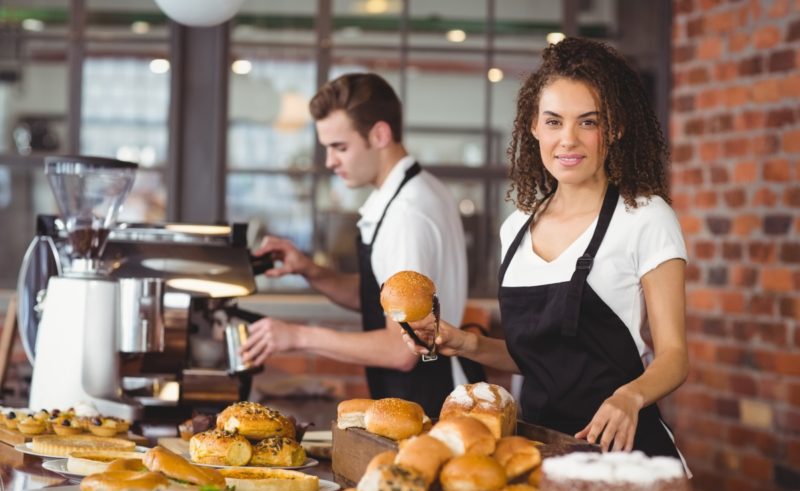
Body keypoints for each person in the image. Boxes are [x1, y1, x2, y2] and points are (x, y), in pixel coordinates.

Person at [404, 37, 689, 459]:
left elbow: (675, 356)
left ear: (615, 129)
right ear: (534, 126)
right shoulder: (516, 228)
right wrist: (463, 343)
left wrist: (630, 397)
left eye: (588, 122)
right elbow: (540, 359)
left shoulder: (645, 217)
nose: (568, 139)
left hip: (623, 455)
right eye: (554, 121)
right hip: (538, 449)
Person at [241, 72, 483, 417]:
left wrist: (297, 336)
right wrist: (311, 271)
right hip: (416, 399)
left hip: (430, 405)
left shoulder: (406, 213)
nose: (330, 161)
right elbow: (381, 298)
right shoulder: (412, 191)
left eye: (340, 147)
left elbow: (401, 349)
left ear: (380, 135)